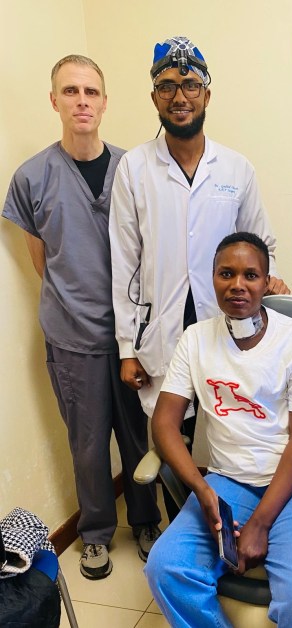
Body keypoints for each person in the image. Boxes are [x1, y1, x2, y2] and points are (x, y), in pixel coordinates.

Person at [109, 36, 289, 520]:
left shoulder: (235, 168)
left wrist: (271, 280)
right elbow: (124, 262)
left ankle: (236, 528)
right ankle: (185, 532)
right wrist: (127, 348)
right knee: (174, 440)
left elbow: (262, 245)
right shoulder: (134, 169)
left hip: (226, 327)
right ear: (154, 98)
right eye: (167, 86)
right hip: (161, 331)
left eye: (190, 85)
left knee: (232, 433)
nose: (179, 96)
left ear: (207, 94)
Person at [2, 55, 161, 580]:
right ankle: (94, 533)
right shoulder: (32, 177)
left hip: (132, 337)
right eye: (70, 91)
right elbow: (42, 259)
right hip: (71, 339)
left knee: (138, 437)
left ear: (105, 102)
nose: (82, 101)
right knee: (87, 446)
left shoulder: (133, 168)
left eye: (91, 91)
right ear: (54, 100)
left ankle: (146, 522)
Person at [144, 232, 292, 627]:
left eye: (250, 275)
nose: (237, 284)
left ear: (266, 282)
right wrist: (202, 490)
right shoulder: (195, 340)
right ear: (213, 278)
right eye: (226, 273)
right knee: (166, 568)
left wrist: (260, 523)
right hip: (229, 481)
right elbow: (165, 422)